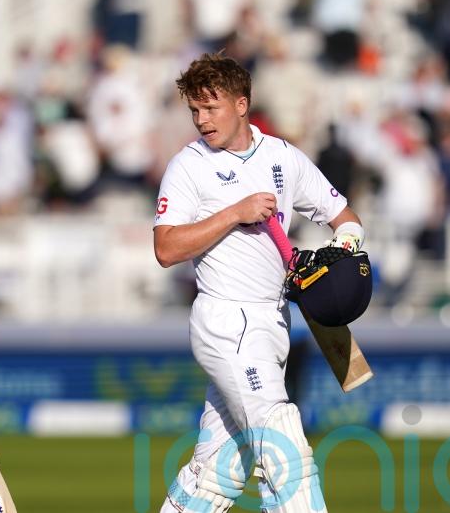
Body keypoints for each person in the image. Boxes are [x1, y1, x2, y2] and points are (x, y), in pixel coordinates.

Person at [153, 53, 365, 513]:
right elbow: (166, 248)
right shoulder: (188, 166)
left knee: (218, 473)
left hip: (274, 319)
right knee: (284, 448)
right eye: (194, 110)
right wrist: (234, 213)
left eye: (211, 108)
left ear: (242, 103)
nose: (201, 120)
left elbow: (345, 218)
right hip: (226, 320)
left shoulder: (282, 156)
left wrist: (339, 253)